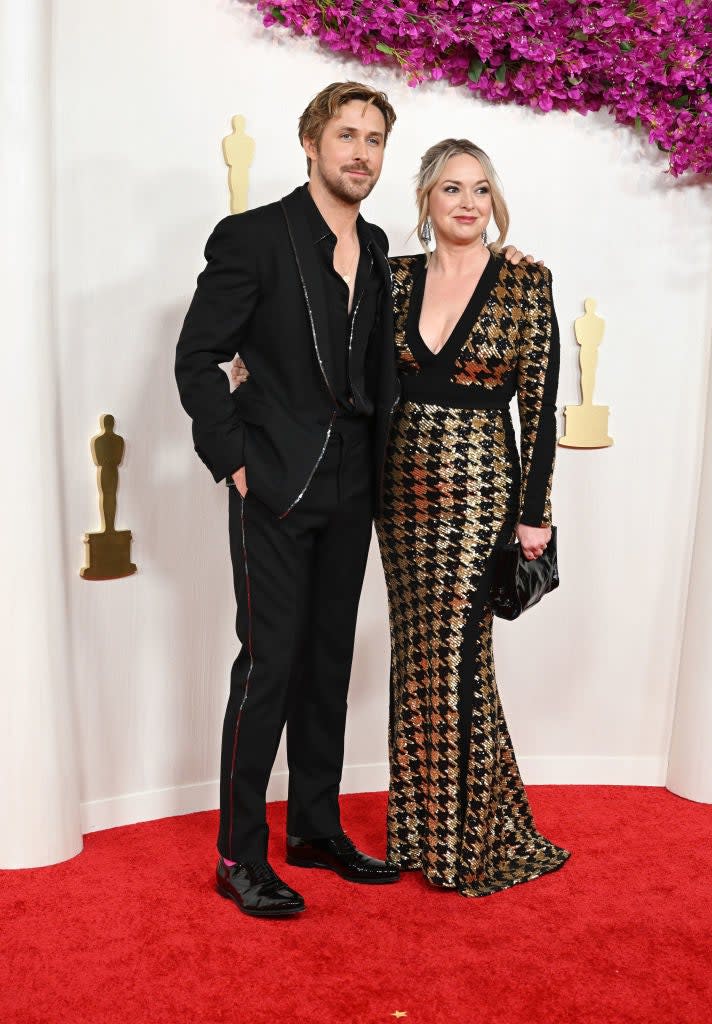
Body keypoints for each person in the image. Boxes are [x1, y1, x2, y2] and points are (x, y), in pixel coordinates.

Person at [175, 82, 402, 918]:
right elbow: (198, 357)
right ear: (310, 142)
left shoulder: (376, 245)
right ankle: (239, 854)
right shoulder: (253, 237)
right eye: (345, 135)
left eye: (374, 140)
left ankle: (313, 827)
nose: (360, 153)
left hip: (354, 485)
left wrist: (505, 258)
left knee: (327, 665)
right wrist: (233, 459)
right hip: (274, 481)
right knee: (268, 665)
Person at [377, 139, 570, 896]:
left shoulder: (524, 281)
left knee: (457, 657)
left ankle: (466, 847)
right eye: (451, 188)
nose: (467, 202)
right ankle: (421, 833)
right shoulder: (392, 279)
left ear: (493, 201)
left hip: (480, 490)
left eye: (481, 190)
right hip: (397, 495)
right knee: (416, 659)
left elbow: (541, 408)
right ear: (426, 199)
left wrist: (534, 515)